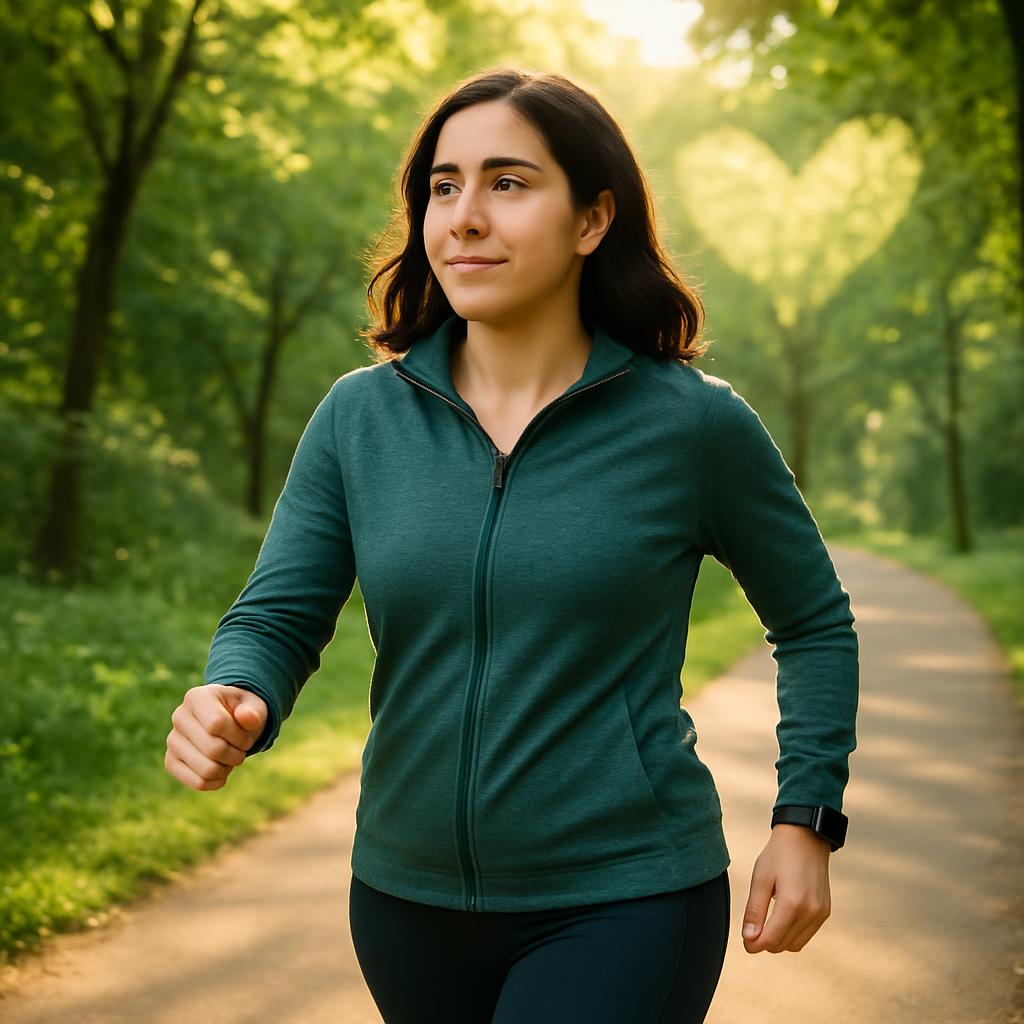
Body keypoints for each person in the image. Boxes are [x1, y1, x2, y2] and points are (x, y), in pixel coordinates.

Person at [165, 66, 859, 1024]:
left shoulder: (692, 428)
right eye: (443, 187)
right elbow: (278, 615)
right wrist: (235, 689)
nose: (464, 217)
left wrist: (806, 818)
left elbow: (814, 623)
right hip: (403, 901)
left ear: (591, 220)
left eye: (508, 182)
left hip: (626, 894)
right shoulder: (359, 418)